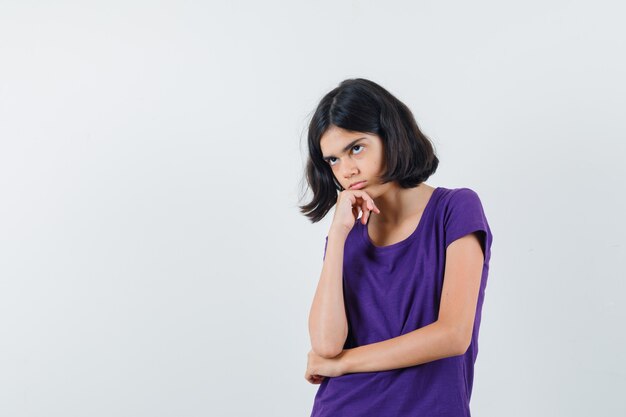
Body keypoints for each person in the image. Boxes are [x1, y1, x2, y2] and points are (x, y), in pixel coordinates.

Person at [298, 78, 494, 416]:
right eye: (333, 160)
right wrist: (338, 235)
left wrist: (344, 363)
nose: (347, 170)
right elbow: (326, 346)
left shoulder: (455, 209)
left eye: (356, 148)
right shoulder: (348, 233)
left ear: (391, 135)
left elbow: (452, 335)